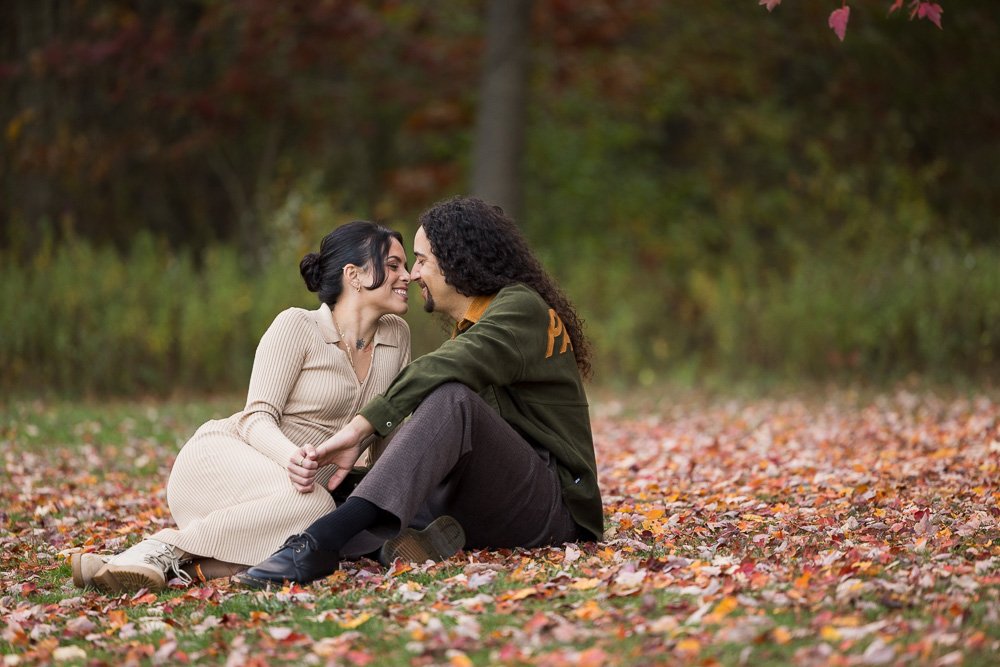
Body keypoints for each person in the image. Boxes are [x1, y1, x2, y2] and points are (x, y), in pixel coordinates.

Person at [236, 195, 603, 588]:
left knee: (451, 399)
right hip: (498, 495)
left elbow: (444, 367)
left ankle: (322, 544)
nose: (412, 275)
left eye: (422, 260)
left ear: (456, 261)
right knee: (347, 488)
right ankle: (387, 543)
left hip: (553, 509)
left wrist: (361, 429)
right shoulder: (483, 321)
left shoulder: (522, 309)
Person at [71, 221, 413, 592]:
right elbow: (256, 418)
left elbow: (388, 430)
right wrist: (292, 458)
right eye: (394, 265)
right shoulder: (297, 326)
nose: (407, 276)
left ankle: (144, 564)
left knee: (313, 532)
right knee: (316, 511)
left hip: (286, 500)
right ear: (355, 275)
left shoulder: (397, 335)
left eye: (405, 266)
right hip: (225, 463)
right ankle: (163, 546)